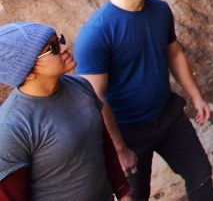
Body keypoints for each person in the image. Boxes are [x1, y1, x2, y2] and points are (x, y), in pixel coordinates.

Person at [74, 0, 213, 200]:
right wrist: (119, 149)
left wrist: (196, 96)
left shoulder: (160, 10)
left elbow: (175, 53)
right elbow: (95, 98)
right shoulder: (96, 33)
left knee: (200, 173)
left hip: (168, 117)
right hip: (129, 132)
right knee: (137, 196)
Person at [0, 21, 131, 200]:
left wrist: (123, 192)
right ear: (27, 72)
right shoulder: (12, 127)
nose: (64, 47)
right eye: (53, 48)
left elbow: (103, 144)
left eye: (59, 39)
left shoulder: (81, 86)